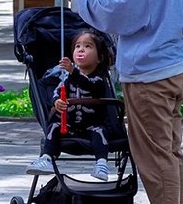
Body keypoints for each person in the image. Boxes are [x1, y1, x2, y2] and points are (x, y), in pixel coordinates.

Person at [52, 0, 183, 204]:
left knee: (155, 159)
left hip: (150, 76)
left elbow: (115, 12)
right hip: (176, 69)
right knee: (170, 153)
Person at [27, 29, 125, 181]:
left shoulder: (99, 79)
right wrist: (56, 101)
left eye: (88, 46)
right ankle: (46, 158)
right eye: (77, 46)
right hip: (69, 125)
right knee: (53, 127)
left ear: (99, 57)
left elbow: (89, 85)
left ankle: (101, 163)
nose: (81, 49)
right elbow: (58, 90)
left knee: (100, 131)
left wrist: (74, 72)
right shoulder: (67, 77)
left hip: (91, 125)